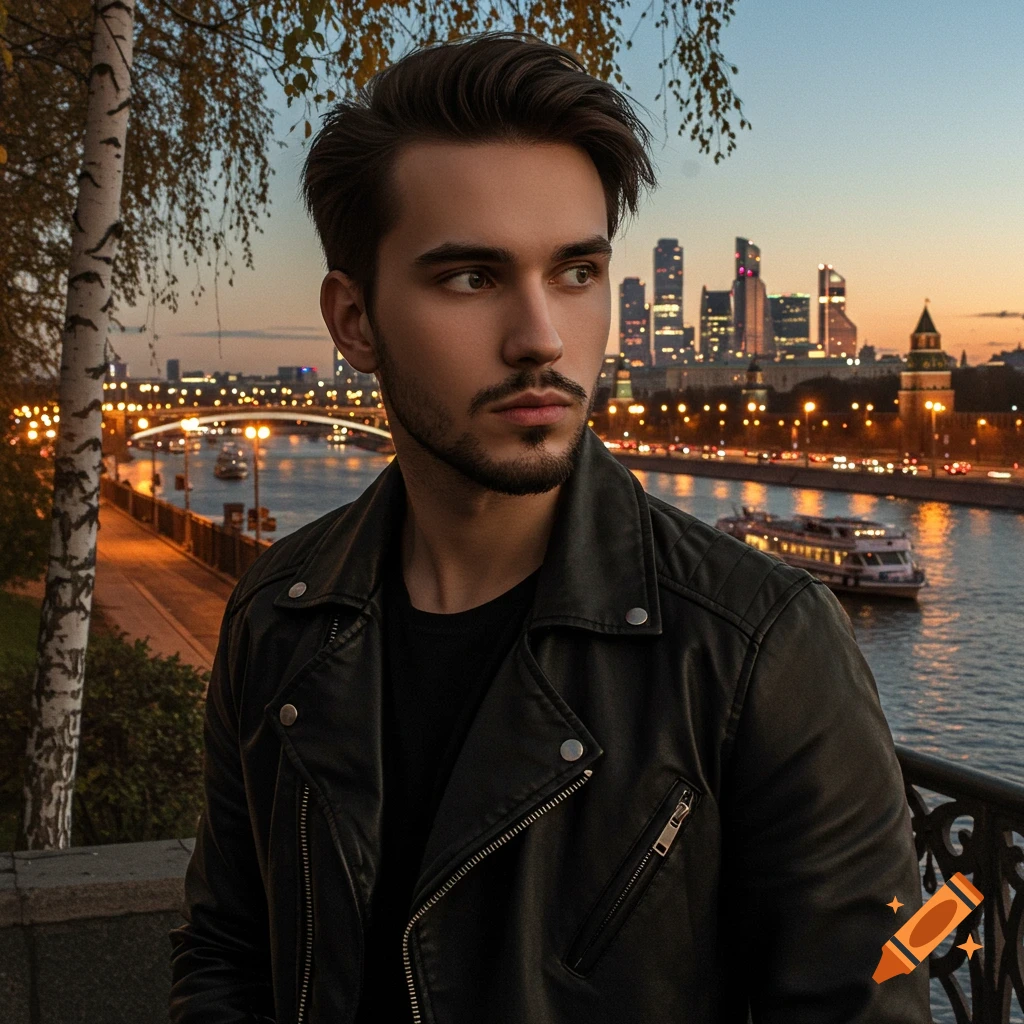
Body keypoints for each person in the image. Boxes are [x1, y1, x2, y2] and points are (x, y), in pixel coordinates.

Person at [169, 31, 932, 1024]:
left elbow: (865, 999)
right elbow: (229, 945)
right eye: (472, 279)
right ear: (354, 320)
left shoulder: (759, 645)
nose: (540, 337)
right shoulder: (278, 610)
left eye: (576, 274)